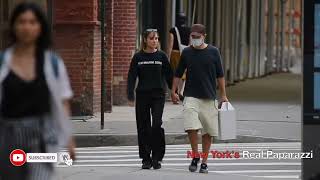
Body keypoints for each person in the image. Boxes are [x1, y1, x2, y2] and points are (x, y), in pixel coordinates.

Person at [0, 2, 75, 180]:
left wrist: (68, 139)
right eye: (22, 21)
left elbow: (63, 102)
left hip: (42, 137)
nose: (27, 27)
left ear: (40, 27)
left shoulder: (53, 64)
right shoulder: (3, 63)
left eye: (32, 22)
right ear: (14, 26)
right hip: (9, 136)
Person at [171, 24, 229, 174]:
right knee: (191, 126)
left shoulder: (214, 52)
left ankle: (204, 162)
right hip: (190, 96)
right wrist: (173, 91)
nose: (195, 40)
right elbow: (178, 73)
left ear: (204, 36)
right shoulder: (187, 52)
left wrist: (223, 95)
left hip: (209, 97)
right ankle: (195, 156)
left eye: (197, 37)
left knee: (207, 132)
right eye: (193, 37)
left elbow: (220, 75)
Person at [127, 28, 173, 170]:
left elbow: (169, 75)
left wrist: (174, 92)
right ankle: (146, 158)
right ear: (145, 40)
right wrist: (130, 94)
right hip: (142, 95)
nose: (155, 41)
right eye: (152, 38)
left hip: (158, 96)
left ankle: (157, 157)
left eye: (157, 38)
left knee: (156, 125)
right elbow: (131, 76)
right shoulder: (138, 57)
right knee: (143, 126)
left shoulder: (162, 57)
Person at [167, 13, 190, 100]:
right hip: (185, 53)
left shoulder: (173, 30)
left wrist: (168, 56)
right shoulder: (189, 30)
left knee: (175, 73)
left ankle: (174, 93)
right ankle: (181, 91)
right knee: (183, 73)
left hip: (175, 53)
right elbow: (190, 43)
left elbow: (171, 43)